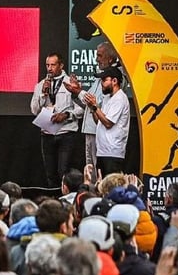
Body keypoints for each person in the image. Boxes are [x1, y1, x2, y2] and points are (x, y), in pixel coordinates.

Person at [30, 53, 82, 188]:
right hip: (47, 133)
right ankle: (53, 202)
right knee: (50, 172)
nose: (49, 68)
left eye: (53, 65)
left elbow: (82, 109)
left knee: (63, 171)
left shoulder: (71, 83)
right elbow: (34, 110)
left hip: (66, 132)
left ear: (61, 65)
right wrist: (43, 94)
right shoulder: (41, 85)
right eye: (47, 65)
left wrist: (66, 115)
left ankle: (65, 199)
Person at [64, 41, 118, 167]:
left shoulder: (113, 77)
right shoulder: (100, 77)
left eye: (99, 56)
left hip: (100, 131)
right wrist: (76, 93)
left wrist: (78, 91)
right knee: (90, 169)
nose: (96, 59)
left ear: (110, 59)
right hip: (90, 130)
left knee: (97, 169)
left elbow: (96, 103)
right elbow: (88, 106)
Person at [83, 66, 130, 176]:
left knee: (111, 188)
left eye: (104, 80)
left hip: (113, 153)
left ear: (114, 81)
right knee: (102, 187)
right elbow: (98, 121)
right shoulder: (107, 98)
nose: (101, 84)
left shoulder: (120, 99)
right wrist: (92, 107)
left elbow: (108, 123)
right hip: (102, 151)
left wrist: (95, 106)